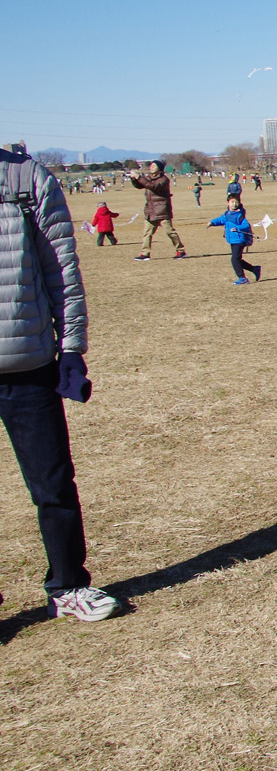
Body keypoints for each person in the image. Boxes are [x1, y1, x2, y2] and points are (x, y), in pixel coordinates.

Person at [0, 145, 118, 621]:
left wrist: (71, 348)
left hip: (27, 364)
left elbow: (62, 269)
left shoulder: (25, 178)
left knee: (52, 484)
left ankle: (68, 585)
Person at [128, 160, 186, 260]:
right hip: (150, 210)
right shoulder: (148, 178)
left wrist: (139, 177)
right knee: (147, 233)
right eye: (151, 165)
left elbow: (153, 186)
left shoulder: (164, 179)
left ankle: (180, 251)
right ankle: (145, 253)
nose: (151, 167)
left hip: (162, 209)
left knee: (170, 232)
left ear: (159, 168)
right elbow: (140, 185)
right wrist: (133, 178)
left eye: (154, 165)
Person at [207, 194, 261, 286]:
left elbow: (246, 225)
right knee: (238, 259)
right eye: (232, 202)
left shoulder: (239, 215)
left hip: (239, 240)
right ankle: (254, 269)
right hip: (232, 240)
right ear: (227, 203)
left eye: (236, 202)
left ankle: (242, 278)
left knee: (234, 259)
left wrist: (238, 228)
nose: (234, 204)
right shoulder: (227, 214)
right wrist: (212, 222)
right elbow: (221, 220)